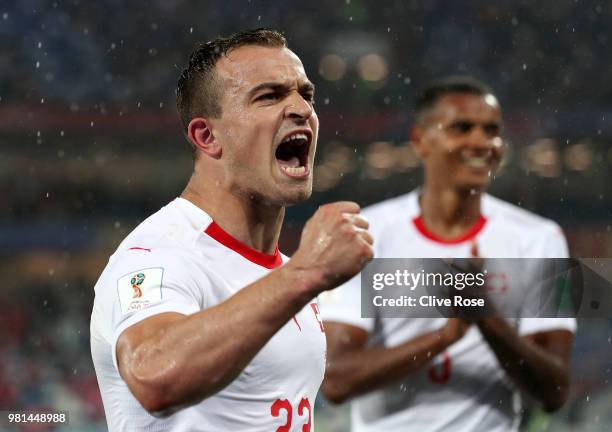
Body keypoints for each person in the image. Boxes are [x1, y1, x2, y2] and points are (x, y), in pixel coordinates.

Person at [90, 28, 374, 432]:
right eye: (269, 96)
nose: (301, 109)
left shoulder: (286, 274)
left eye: (305, 95)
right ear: (207, 136)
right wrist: (307, 274)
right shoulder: (160, 254)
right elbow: (154, 376)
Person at [320, 76, 575, 431]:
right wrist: (445, 336)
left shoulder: (541, 239)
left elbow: (555, 390)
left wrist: (486, 317)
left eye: (492, 130)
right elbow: (335, 380)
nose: (481, 142)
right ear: (420, 140)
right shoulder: (367, 233)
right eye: (462, 128)